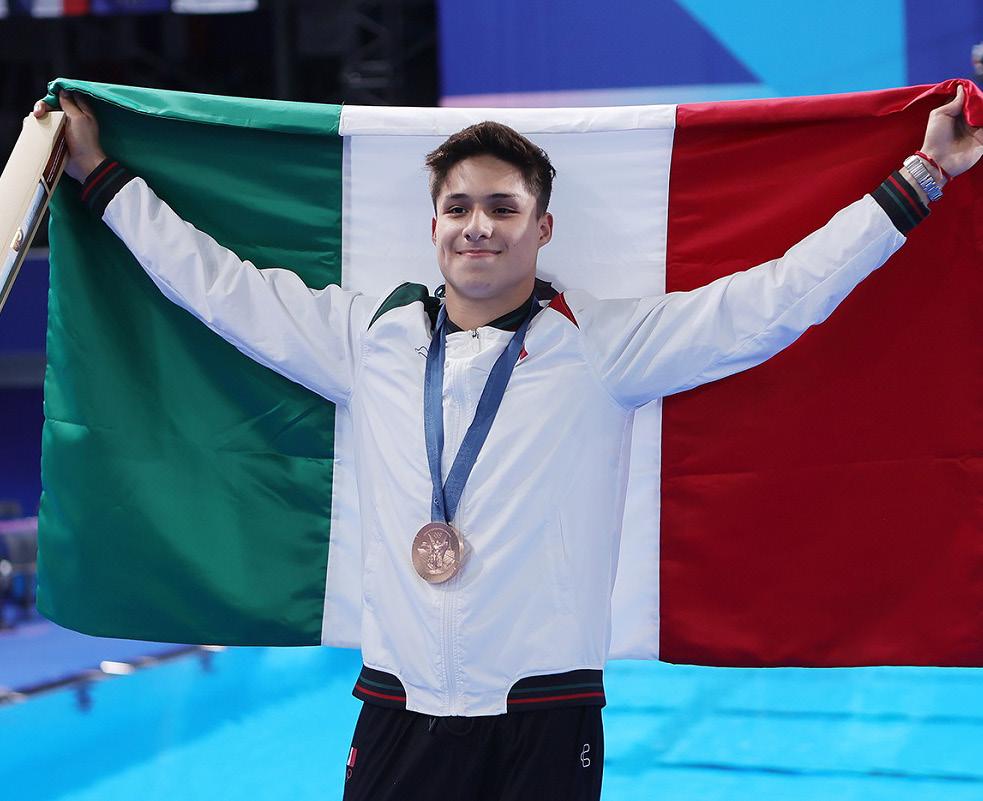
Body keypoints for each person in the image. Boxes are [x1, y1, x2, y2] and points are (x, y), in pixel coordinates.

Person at [33, 87, 982, 801]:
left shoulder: (602, 344)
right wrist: (101, 177)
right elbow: (219, 287)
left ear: (541, 225)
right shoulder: (368, 339)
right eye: (458, 208)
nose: (477, 226)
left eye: (501, 206)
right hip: (398, 703)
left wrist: (920, 178)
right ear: (433, 225)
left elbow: (773, 300)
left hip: (544, 708)